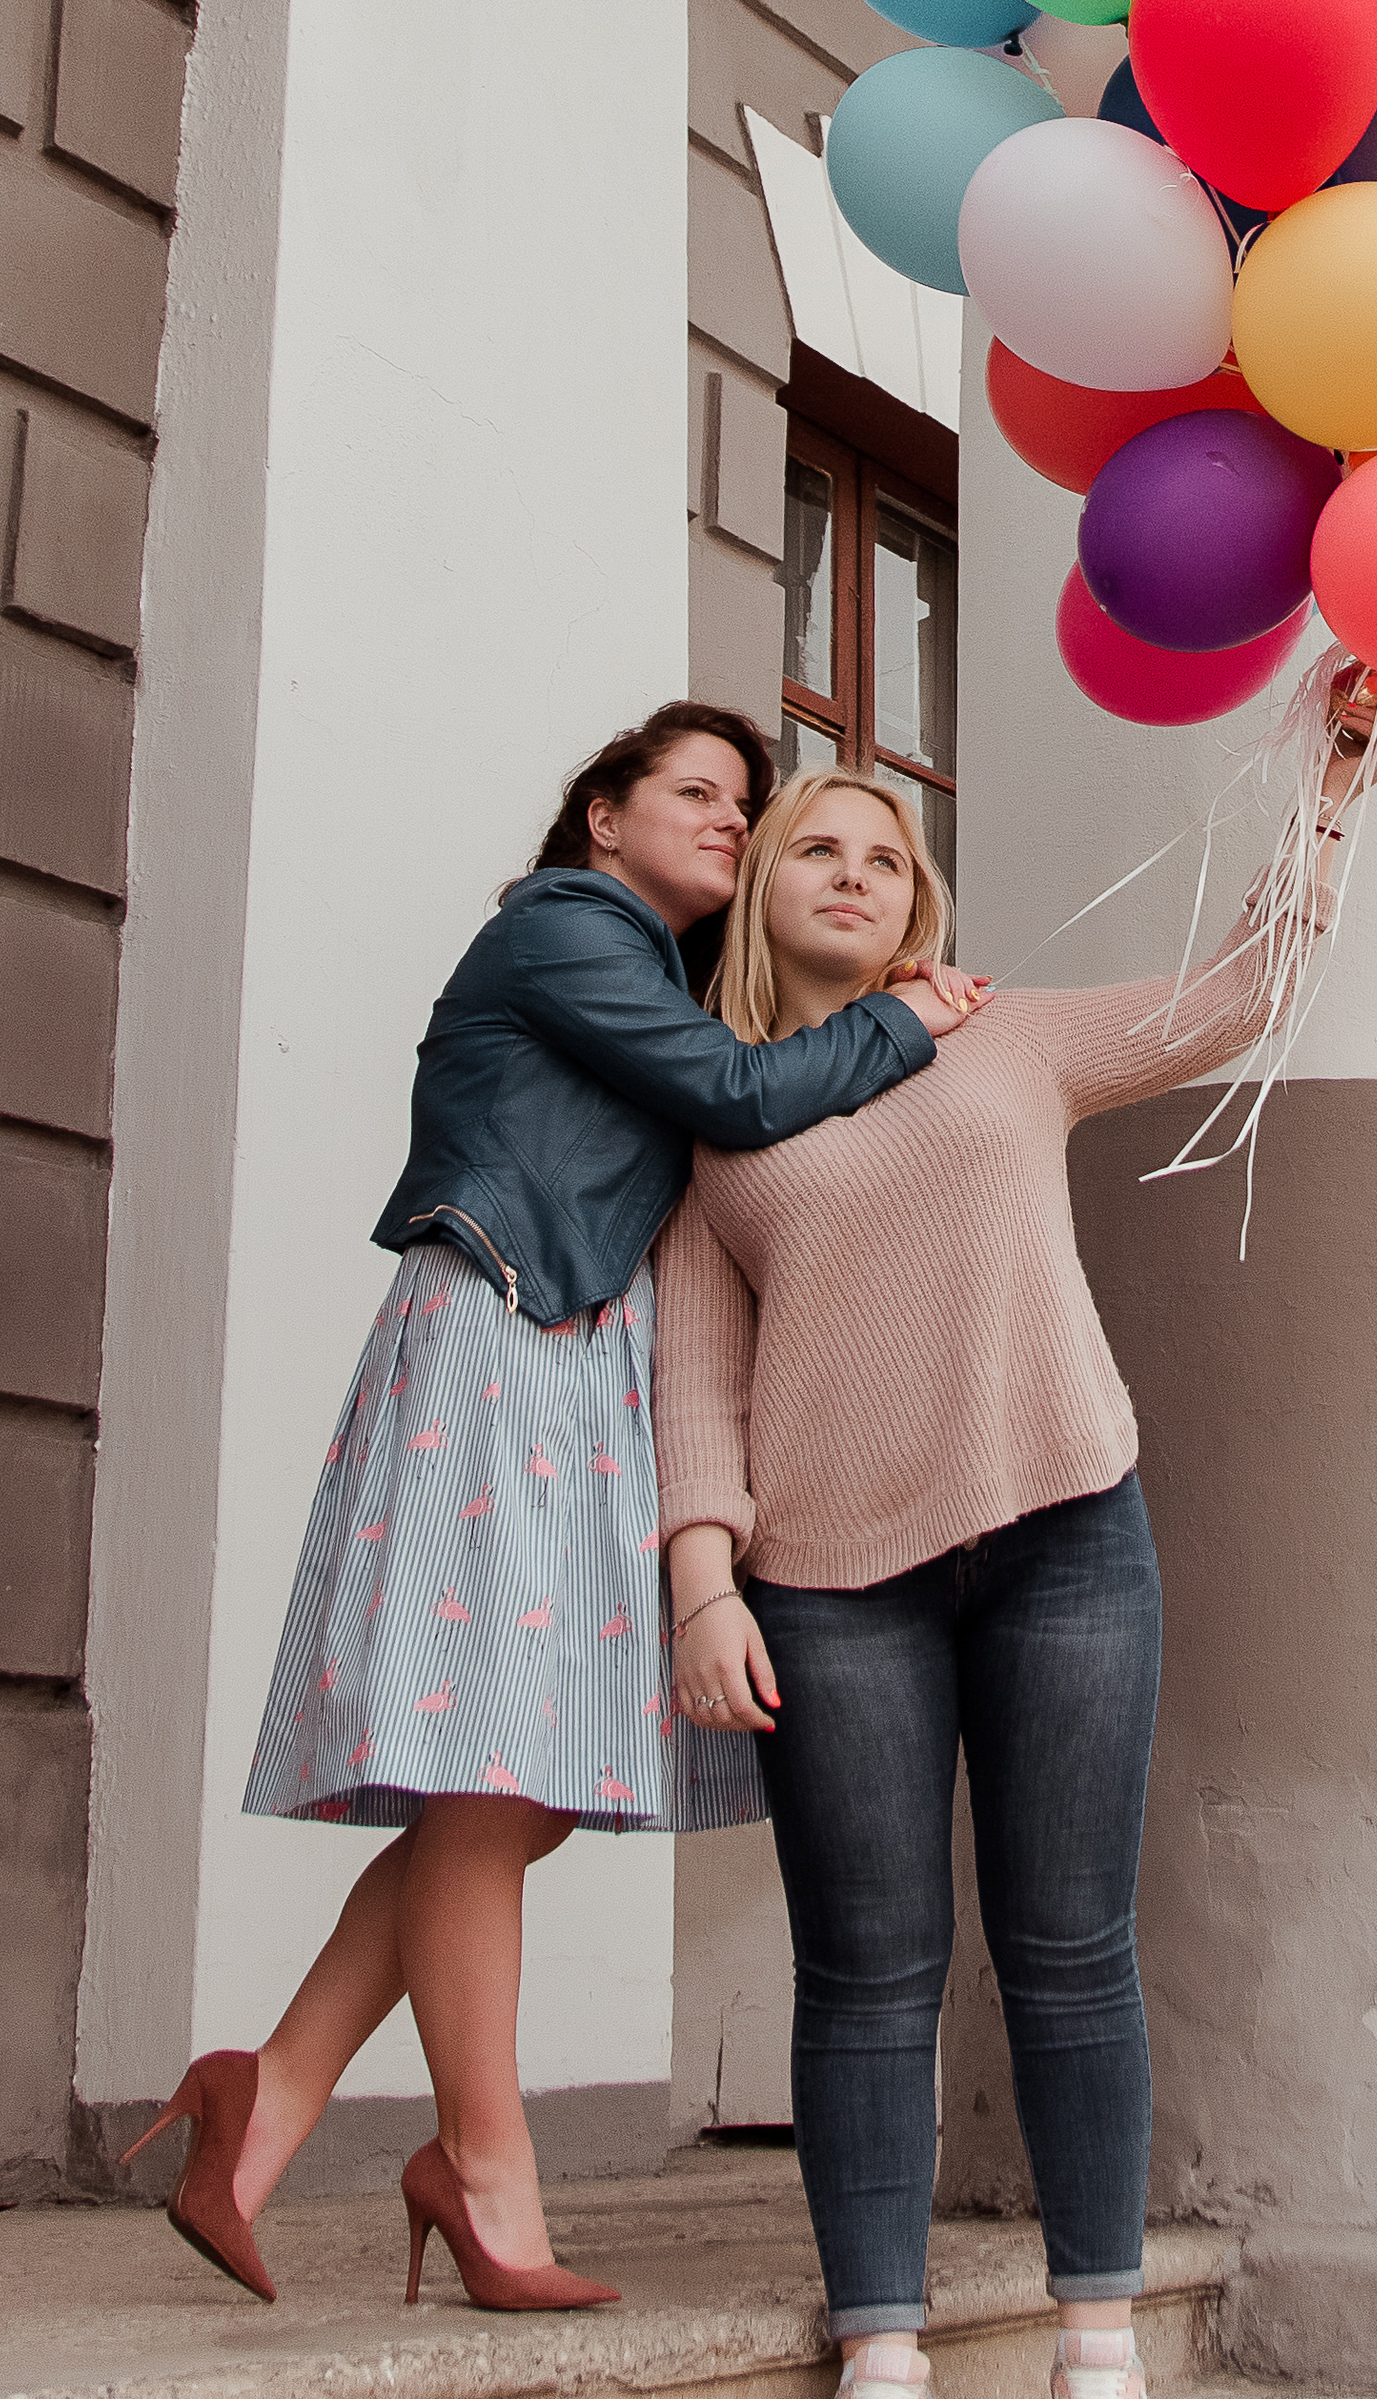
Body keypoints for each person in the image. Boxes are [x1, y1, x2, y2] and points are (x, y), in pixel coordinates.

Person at [655, 675, 1377, 2399]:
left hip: (1068, 1531)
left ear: (920, 901)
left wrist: (1330, 779)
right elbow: (693, 1367)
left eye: (883, 852)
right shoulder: (717, 1112)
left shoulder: (1003, 1038)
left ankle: (1099, 2361)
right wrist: (704, 1586)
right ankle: (885, 2373)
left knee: (1071, 1958)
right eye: (810, 849)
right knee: (865, 1974)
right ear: (760, 891)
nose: (849, 871)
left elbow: (1244, 989)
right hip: (831, 1581)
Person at [124, 702, 981, 2316]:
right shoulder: (569, 927)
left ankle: (269, 2099)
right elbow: (732, 1095)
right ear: (602, 816)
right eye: (697, 795)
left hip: (572, 1359)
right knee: (489, 1767)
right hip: (503, 1339)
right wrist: (906, 1020)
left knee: (514, 1786)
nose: (732, 823)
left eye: (746, 804)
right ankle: (485, 2174)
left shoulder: (643, 967)